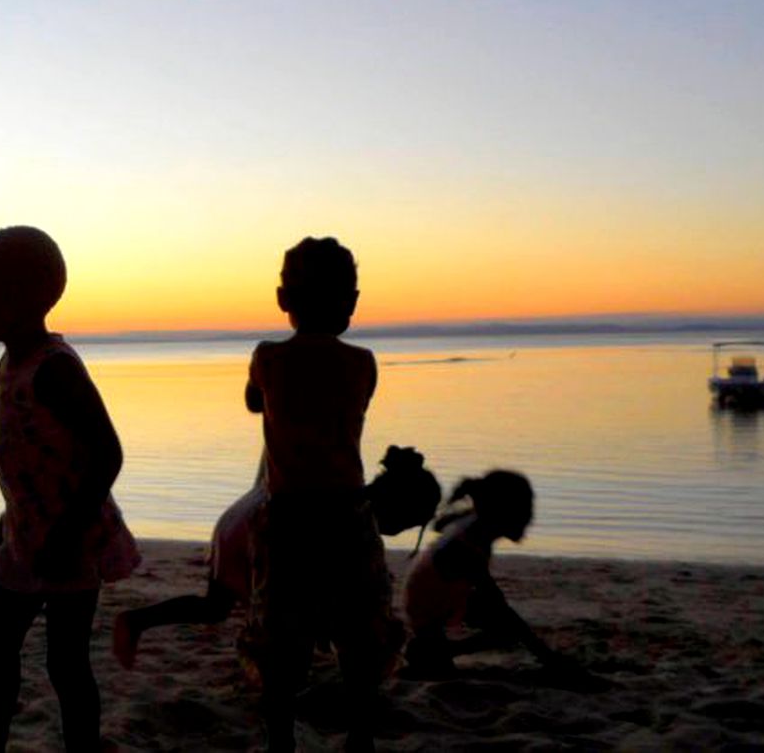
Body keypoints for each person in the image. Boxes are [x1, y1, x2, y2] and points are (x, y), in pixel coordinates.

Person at [0, 225, 140, 753]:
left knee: (66, 662)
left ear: (21, 297)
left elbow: (107, 454)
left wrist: (65, 534)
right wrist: (10, 513)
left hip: (69, 542)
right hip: (27, 536)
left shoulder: (54, 369)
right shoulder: (11, 362)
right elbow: (35, 452)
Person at [111, 445, 441, 675]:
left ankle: (136, 621)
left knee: (216, 606)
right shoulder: (347, 515)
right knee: (230, 608)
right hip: (256, 527)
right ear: (396, 505)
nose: (398, 532)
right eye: (406, 524)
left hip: (249, 514)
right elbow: (319, 579)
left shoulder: (346, 493)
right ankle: (135, 622)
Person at [246, 236, 383, 752]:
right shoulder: (363, 362)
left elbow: (254, 401)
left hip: (289, 516)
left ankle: (281, 738)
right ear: (351, 301)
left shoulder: (267, 358)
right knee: (359, 629)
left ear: (283, 300)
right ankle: (361, 736)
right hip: (349, 511)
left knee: (281, 636)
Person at [400, 471, 599, 686]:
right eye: (525, 510)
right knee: (506, 628)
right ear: (502, 512)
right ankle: (431, 648)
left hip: (444, 595)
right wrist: (547, 657)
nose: (530, 519)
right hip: (428, 609)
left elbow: (440, 528)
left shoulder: (475, 525)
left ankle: (439, 649)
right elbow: (498, 604)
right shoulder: (467, 548)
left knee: (508, 628)